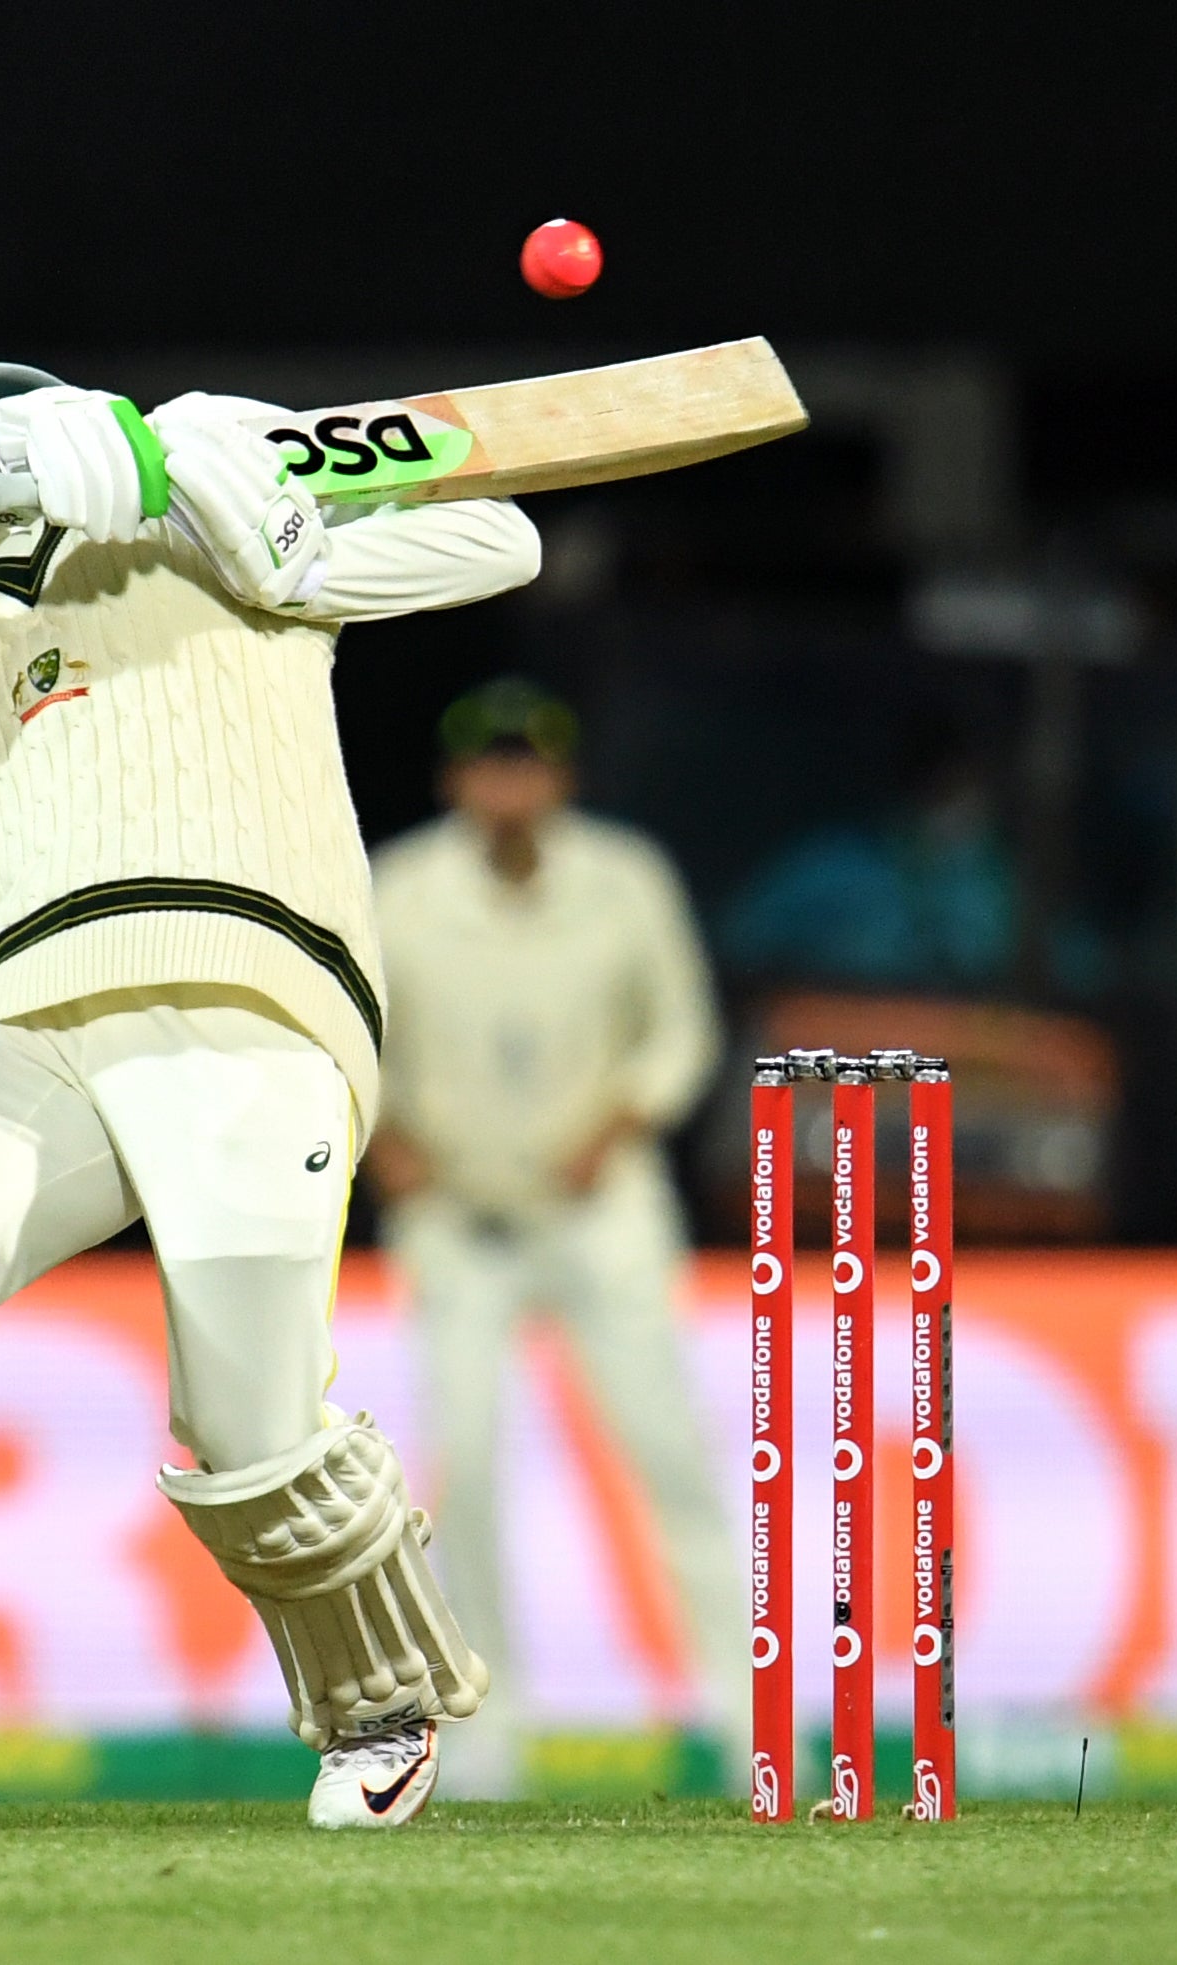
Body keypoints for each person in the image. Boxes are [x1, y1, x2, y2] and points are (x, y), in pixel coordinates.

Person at [0, 367, 537, 1834]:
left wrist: (225, 472)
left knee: (247, 1422)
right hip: (20, 1009)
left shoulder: (221, 525)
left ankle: (380, 1702)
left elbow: (502, 540)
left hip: (248, 980)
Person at [367, 679, 745, 1798]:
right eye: (489, 763)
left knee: (669, 1454)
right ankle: (492, 1728)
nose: (509, 783)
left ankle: (743, 1713)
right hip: (458, 1212)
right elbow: (352, 1024)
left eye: (528, 762)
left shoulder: (624, 881)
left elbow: (683, 1032)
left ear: (562, 775)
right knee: (468, 1468)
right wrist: (381, 1135)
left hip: (602, 1206)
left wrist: (621, 1119)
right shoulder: (401, 888)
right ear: (455, 778)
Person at [715, 715, 1017, 990]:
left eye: (965, 792)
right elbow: (738, 944)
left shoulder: (1006, 891)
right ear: (911, 788)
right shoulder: (832, 867)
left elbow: (1055, 976)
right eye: (941, 790)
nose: (955, 810)